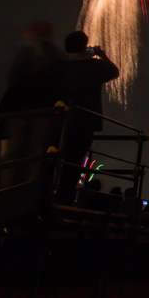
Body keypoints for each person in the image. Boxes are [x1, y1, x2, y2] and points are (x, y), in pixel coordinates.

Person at [0, 21, 63, 188]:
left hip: (20, 111)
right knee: (35, 153)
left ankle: (6, 189)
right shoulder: (56, 56)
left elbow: (13, 81)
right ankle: (26, 190)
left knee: (14, 152)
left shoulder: (24, 55)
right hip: (42, 111)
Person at [56, 31, 119, 203]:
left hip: (59, 121)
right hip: (85, 121)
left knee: (55, 159)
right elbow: (114, 71)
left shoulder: (60, 66)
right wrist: (102, 55)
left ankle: (50, 195)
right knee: (74, 162)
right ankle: (65, 199)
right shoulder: (93, 66)